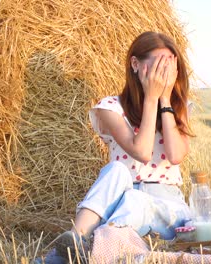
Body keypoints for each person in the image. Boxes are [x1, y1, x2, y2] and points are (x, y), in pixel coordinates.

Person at [54, 31, 193, 260]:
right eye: (159, 65)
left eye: (169, 66)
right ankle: (77, 239)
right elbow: (142, 151)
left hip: (166, 205)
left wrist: (164, 100)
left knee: (135, 200)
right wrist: (150, 98)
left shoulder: (180, 108)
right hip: (120, 198)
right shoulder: (110, 108)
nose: (164, 73)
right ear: (135, 64)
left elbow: (175, 155)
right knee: (116, 171)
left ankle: (96, 247)